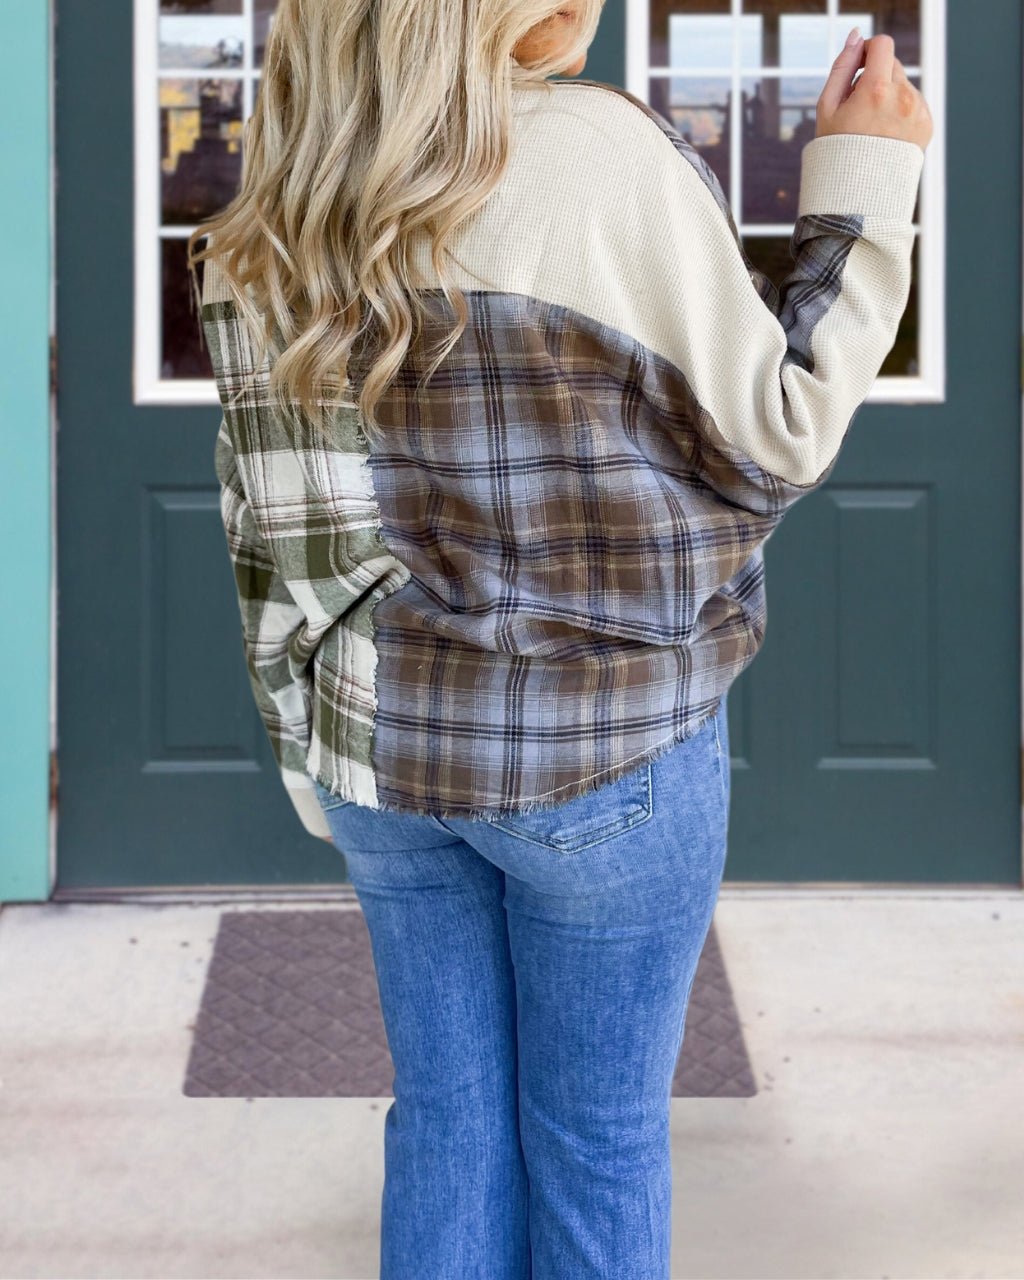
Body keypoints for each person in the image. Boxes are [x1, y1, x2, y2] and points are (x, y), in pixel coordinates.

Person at [188, 4, 932, 1277]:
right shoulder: (595, 158)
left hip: (380, 762)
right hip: (601, 764)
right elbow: (779, 434)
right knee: (593, 1137)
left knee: (445, 1121)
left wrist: (314, 762)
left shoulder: (267, 219)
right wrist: (865, 185)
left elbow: (263, 534)